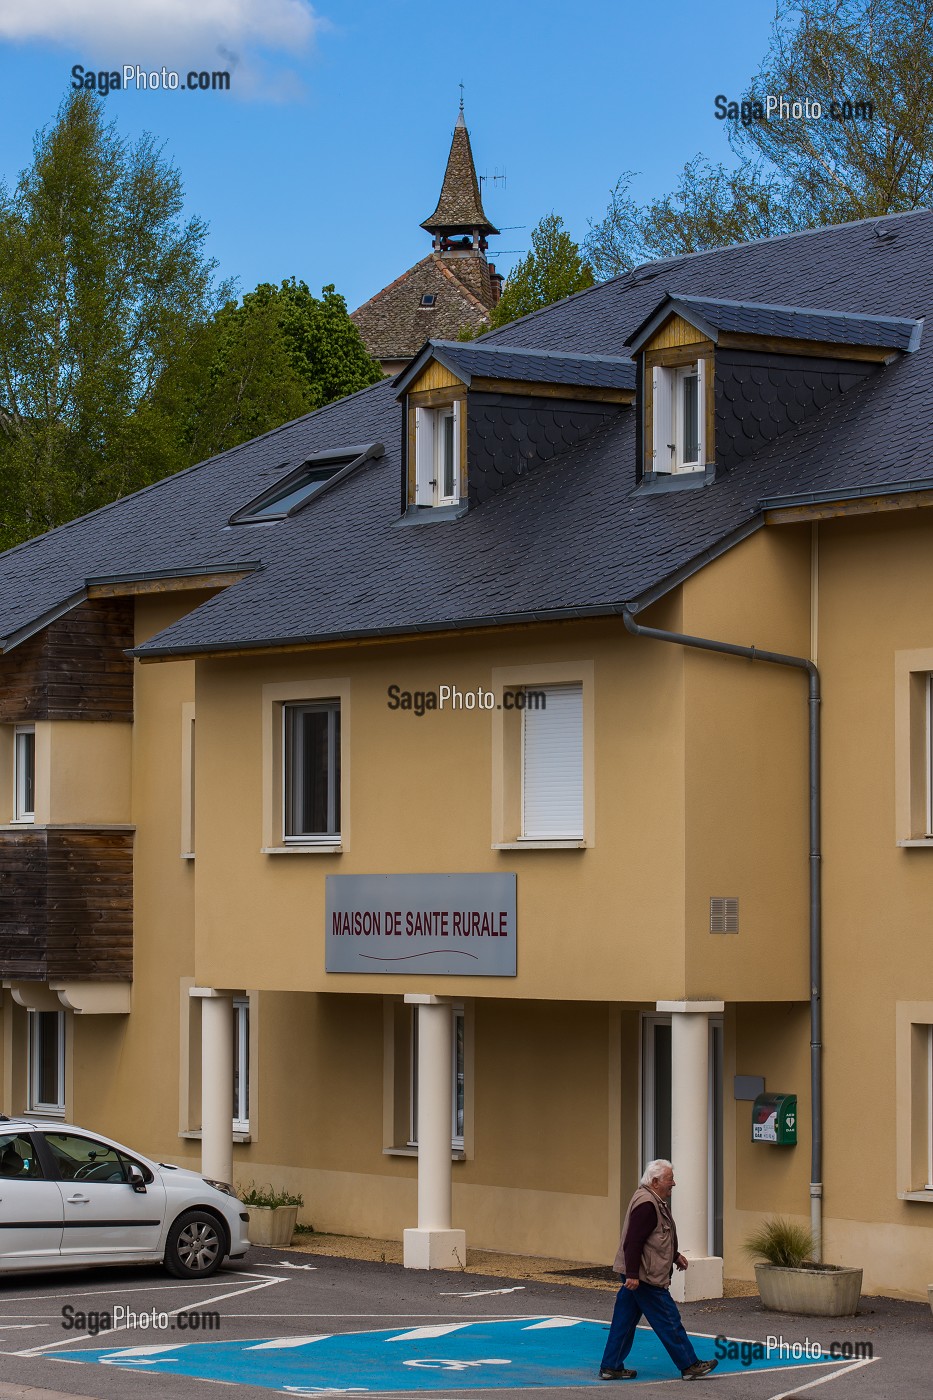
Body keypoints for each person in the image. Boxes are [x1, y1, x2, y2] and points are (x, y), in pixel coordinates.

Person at [599, 1159, 718, 1382]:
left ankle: (611, 1366)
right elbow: (633, 1242)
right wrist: (633, 1274)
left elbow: (654, 1239)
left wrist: (674, 1256)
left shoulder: (651, 1199)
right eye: (669, 1179)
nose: (673, 1183)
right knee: (668, 1318)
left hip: (639, 1274)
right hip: (645, 1277)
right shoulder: (647, 1204)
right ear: (655, 1181)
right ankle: (689, 1365)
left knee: (624, 1321)